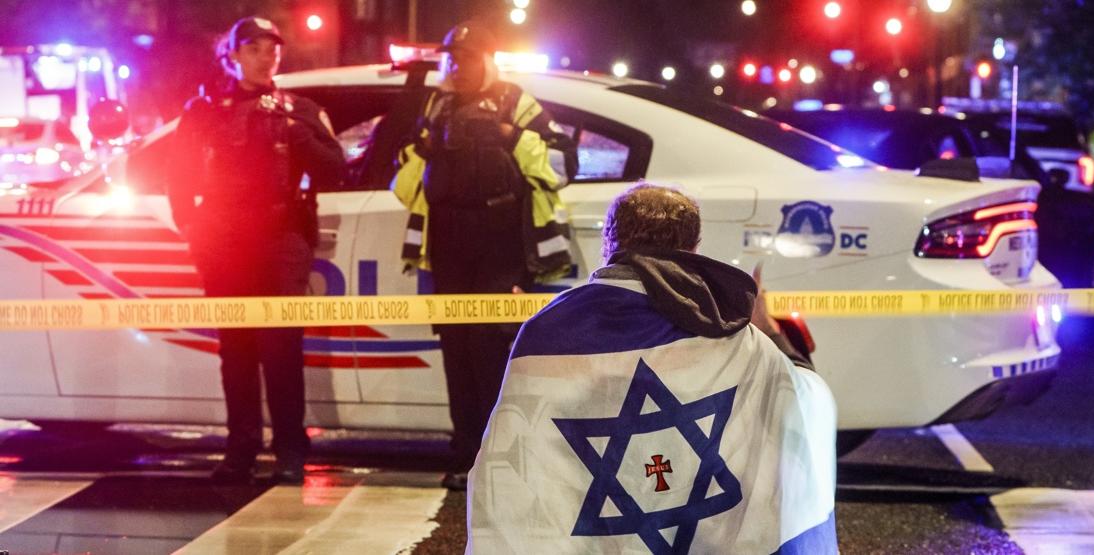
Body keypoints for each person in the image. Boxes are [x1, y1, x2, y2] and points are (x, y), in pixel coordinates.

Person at [467, 184, 838, 553]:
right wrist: (771, 330)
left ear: (609, 243)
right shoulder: (735, 336)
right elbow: (802, 402)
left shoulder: (548, 331)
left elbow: (516, 455)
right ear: (693, 249)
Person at [390, 20, 576, 491]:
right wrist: (421, 149)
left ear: (488, 60)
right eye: (451, 57)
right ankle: (466, 457)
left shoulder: (517, 102)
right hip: (447, 247)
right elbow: (405, 180)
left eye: (468, 58)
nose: (457, 66)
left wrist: (513, 137)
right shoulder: (437, 104)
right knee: (456, 354)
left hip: (500, 246)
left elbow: (563, 165)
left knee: (491, 353)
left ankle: (500, 460)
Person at [167, 17, 346, 484]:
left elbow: (336, 169)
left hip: (281, 236)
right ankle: (240, 448)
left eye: (272, 48)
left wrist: (298, 134)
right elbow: (179, 176)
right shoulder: (205, 110)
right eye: (254, 48)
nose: (266, 56)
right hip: (225, 242)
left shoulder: (298, 108)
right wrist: (193, 227)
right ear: (233, 54)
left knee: (282, 346)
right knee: (237, 349)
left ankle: (289, 449)